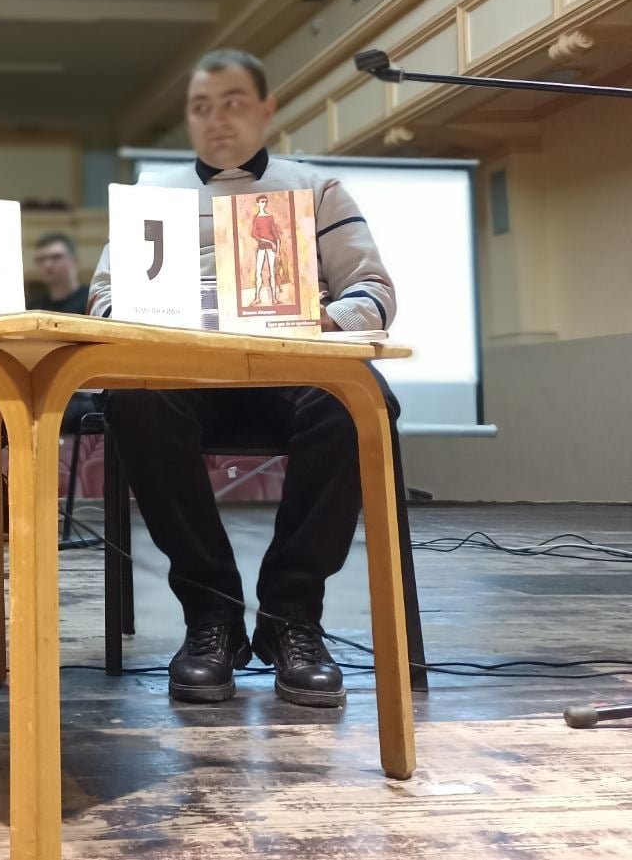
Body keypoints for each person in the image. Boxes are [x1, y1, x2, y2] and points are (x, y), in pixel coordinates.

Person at [88, 48, 398, 709]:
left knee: (355, 402)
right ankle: (213, 614)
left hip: (291, 366)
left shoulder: (317, 187)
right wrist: (144, 323)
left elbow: (373, 294)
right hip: (188, 372)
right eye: (201, 108)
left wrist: (316, 318)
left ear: (266, 109)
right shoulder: (152, 195)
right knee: (134, 401)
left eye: (232, 103)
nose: (217, 119)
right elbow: (103, 299)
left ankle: (291, 614)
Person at [28, 232, 90, 315]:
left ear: (75, 262)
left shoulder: (93, 302)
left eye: (56, 257)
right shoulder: (34, 310)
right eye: (41, 259)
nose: (47, 265)